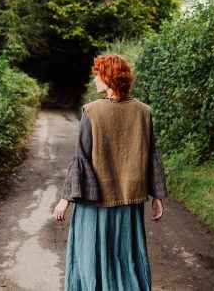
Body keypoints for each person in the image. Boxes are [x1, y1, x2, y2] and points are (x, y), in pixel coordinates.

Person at [53, 53, 168, 291]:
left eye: (98, 75)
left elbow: (81, 158)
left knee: (89, 257)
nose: (95, 81)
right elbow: (152, 155)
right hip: (129, 200)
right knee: (126, 258)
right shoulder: (143, 111)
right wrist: (157, 196)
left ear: (108, 78)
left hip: (94, 202)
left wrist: (65, 199)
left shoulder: (92, 112)